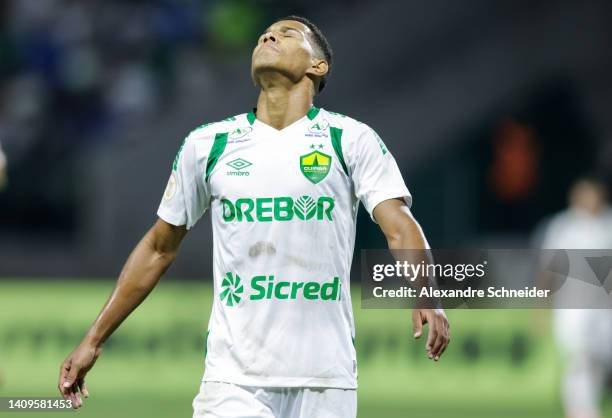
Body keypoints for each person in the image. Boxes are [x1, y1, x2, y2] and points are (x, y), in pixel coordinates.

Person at [58, 15, 450, 417]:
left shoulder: (349, 139)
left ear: (319, 66)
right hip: (233, 380)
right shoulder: (208, 144)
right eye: (266, 33)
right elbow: (159, 247)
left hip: (324, 377)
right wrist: (94, 338)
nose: (269, 35)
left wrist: (427, 290)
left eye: (288, 34)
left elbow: (399, 226)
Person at [539, 177, 612, 418]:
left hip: (604, 307)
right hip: (571, 306)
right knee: (578, 356)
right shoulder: (562, 226)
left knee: (600, 358)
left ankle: (589, 405)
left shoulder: (608, 224)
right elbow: (548, 269)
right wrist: (541, 305)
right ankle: (580, 410)